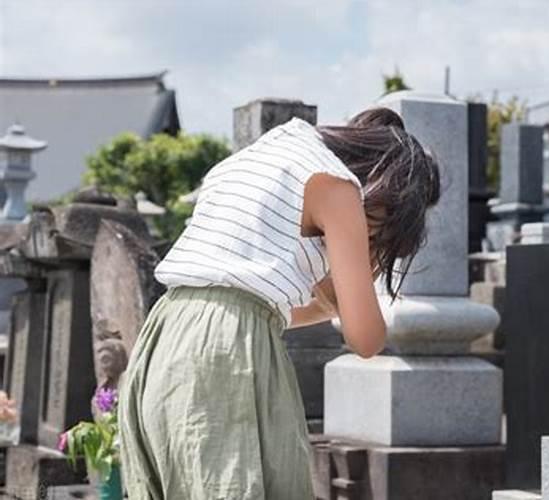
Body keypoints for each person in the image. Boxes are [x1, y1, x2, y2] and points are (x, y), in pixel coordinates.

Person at [118, 107, 441, 499]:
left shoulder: (256, 158)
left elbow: (255, 306)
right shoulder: (338, 188)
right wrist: (363, 264)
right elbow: (366, 337)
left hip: (164, 334)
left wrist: (327, 302)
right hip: (226, 356)